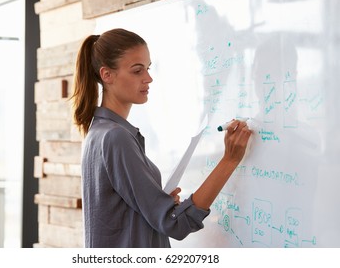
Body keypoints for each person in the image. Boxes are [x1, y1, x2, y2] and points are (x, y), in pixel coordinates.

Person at [71, 28, 252, 248]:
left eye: (147, 68)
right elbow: (175, 224)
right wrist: (229, 160)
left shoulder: (98, 133)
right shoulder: (116, 138)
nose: (149, 78)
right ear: (107, 75)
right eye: (137, 71)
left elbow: (120, 215)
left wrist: (158, 201)